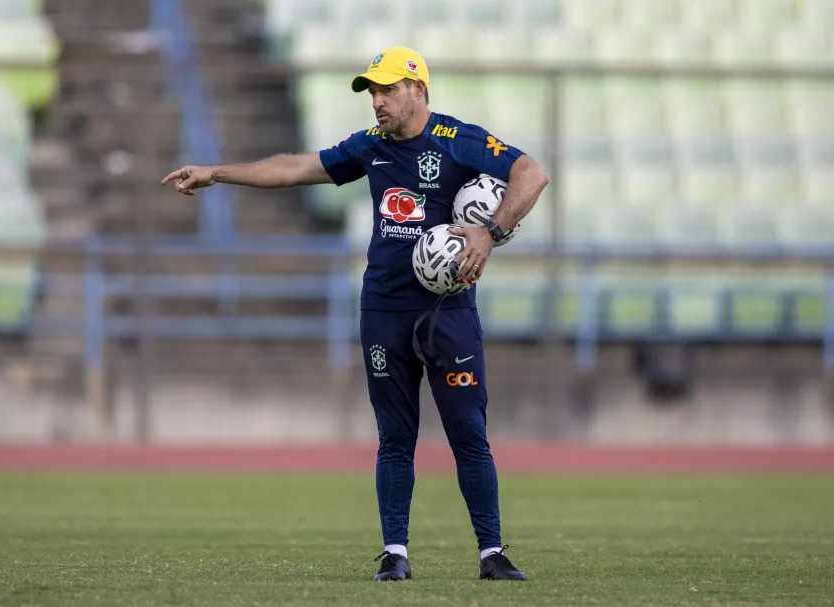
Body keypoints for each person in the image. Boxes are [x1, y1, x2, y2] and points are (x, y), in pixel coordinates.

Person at [162, 46, 549, 582]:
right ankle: (395, 554)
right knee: (395, 436)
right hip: (384, 311)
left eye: (388, 89)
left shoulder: (459, 140)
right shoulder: (369, 147)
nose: (377, 101)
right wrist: (217, 173)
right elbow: (295, 168)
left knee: (468, 432)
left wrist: (491, 231)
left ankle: (492, 554)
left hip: (448, 312)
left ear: (418, 90)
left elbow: (531, 173)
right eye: (372, 91)